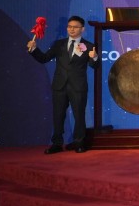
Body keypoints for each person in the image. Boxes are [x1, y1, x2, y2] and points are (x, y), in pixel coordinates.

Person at [27, 15, 99, 154]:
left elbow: (95, 66)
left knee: (79, 115)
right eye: (69, 27)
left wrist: (94, 57)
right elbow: (44, 58)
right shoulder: (59, 44)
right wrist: (34, 50)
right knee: (58, 115)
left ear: (82, 29)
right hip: (59, 86)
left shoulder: (88, 46)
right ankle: (57, 143)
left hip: (78, 87)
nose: (71, 29)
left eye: (75, 27)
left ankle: (79, 143)